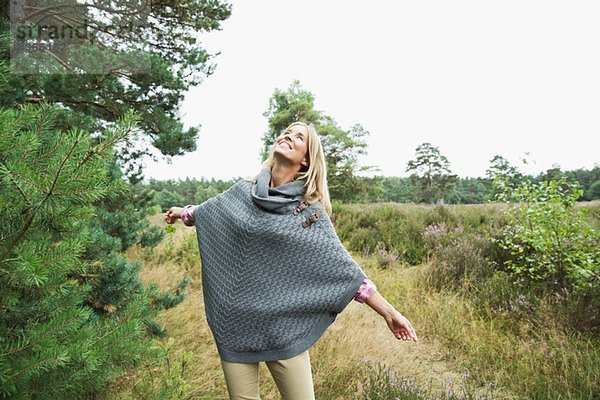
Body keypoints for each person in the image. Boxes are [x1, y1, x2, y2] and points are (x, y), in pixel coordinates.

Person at [165, 121, 417, 400]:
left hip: (283, 329)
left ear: (306, 158)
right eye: (287, 132)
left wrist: (389, 312)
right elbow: (210, 212)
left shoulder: (308, 212)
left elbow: (345, 272)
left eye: (299, 137)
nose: (288, 136)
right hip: (236, 323)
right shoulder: (242, 192)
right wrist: (182, 213)